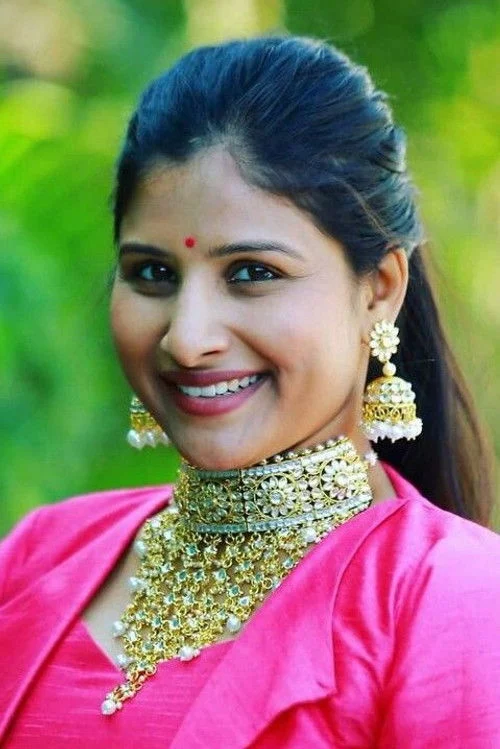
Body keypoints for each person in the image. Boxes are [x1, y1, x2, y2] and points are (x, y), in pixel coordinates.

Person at [1, 35, 499, 748]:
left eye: (253, 273)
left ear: (380, 289)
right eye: (152, 274)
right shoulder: (40, 556)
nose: (186, 337)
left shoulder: (452, 601)